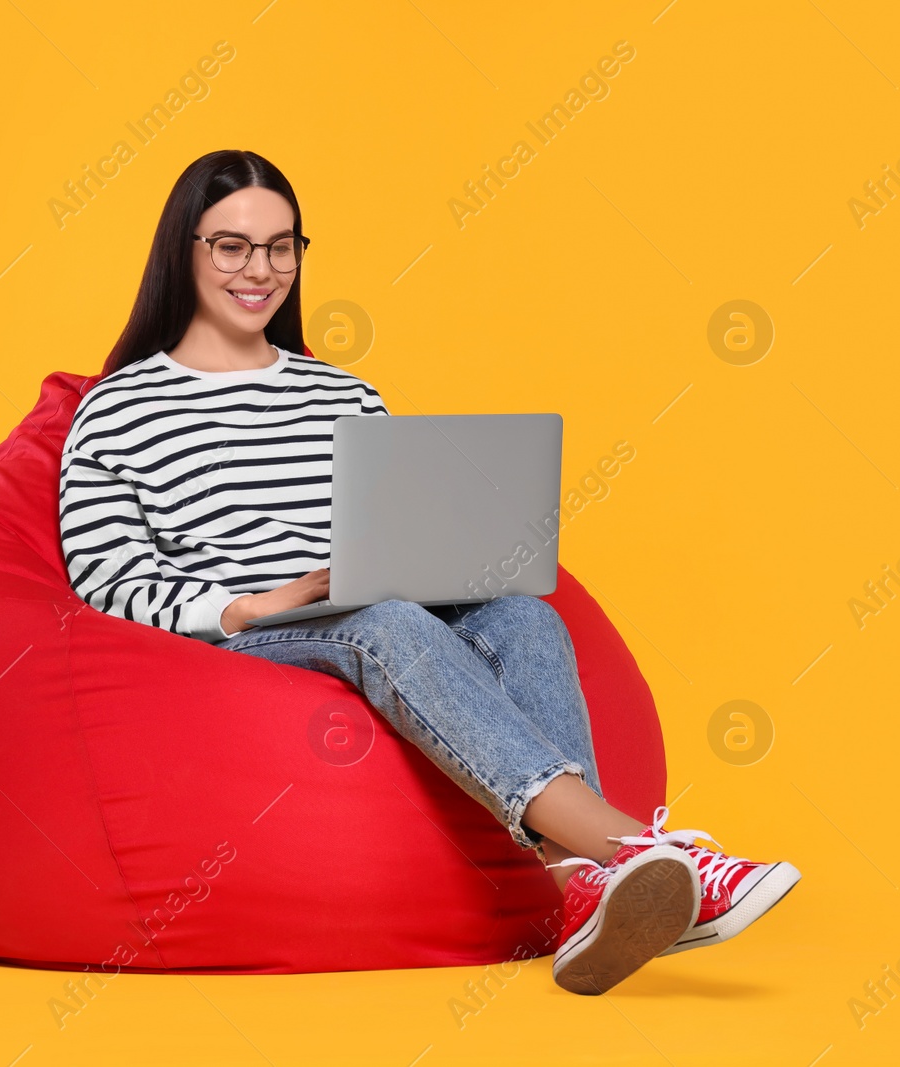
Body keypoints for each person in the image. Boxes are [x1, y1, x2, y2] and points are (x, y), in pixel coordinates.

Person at [56, 149, 800, 994]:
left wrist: (443, 561)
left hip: (368, 609)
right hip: (245, 639)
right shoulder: (120, 408)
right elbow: (109, 582)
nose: (258, 270)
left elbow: (395, 526)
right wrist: (264, 601)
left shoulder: (342, 394)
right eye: (230, 246)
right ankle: (638, 850)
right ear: (182, 251)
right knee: (387, 625)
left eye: (280, 246)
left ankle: (584, 885)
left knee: (525, 616)